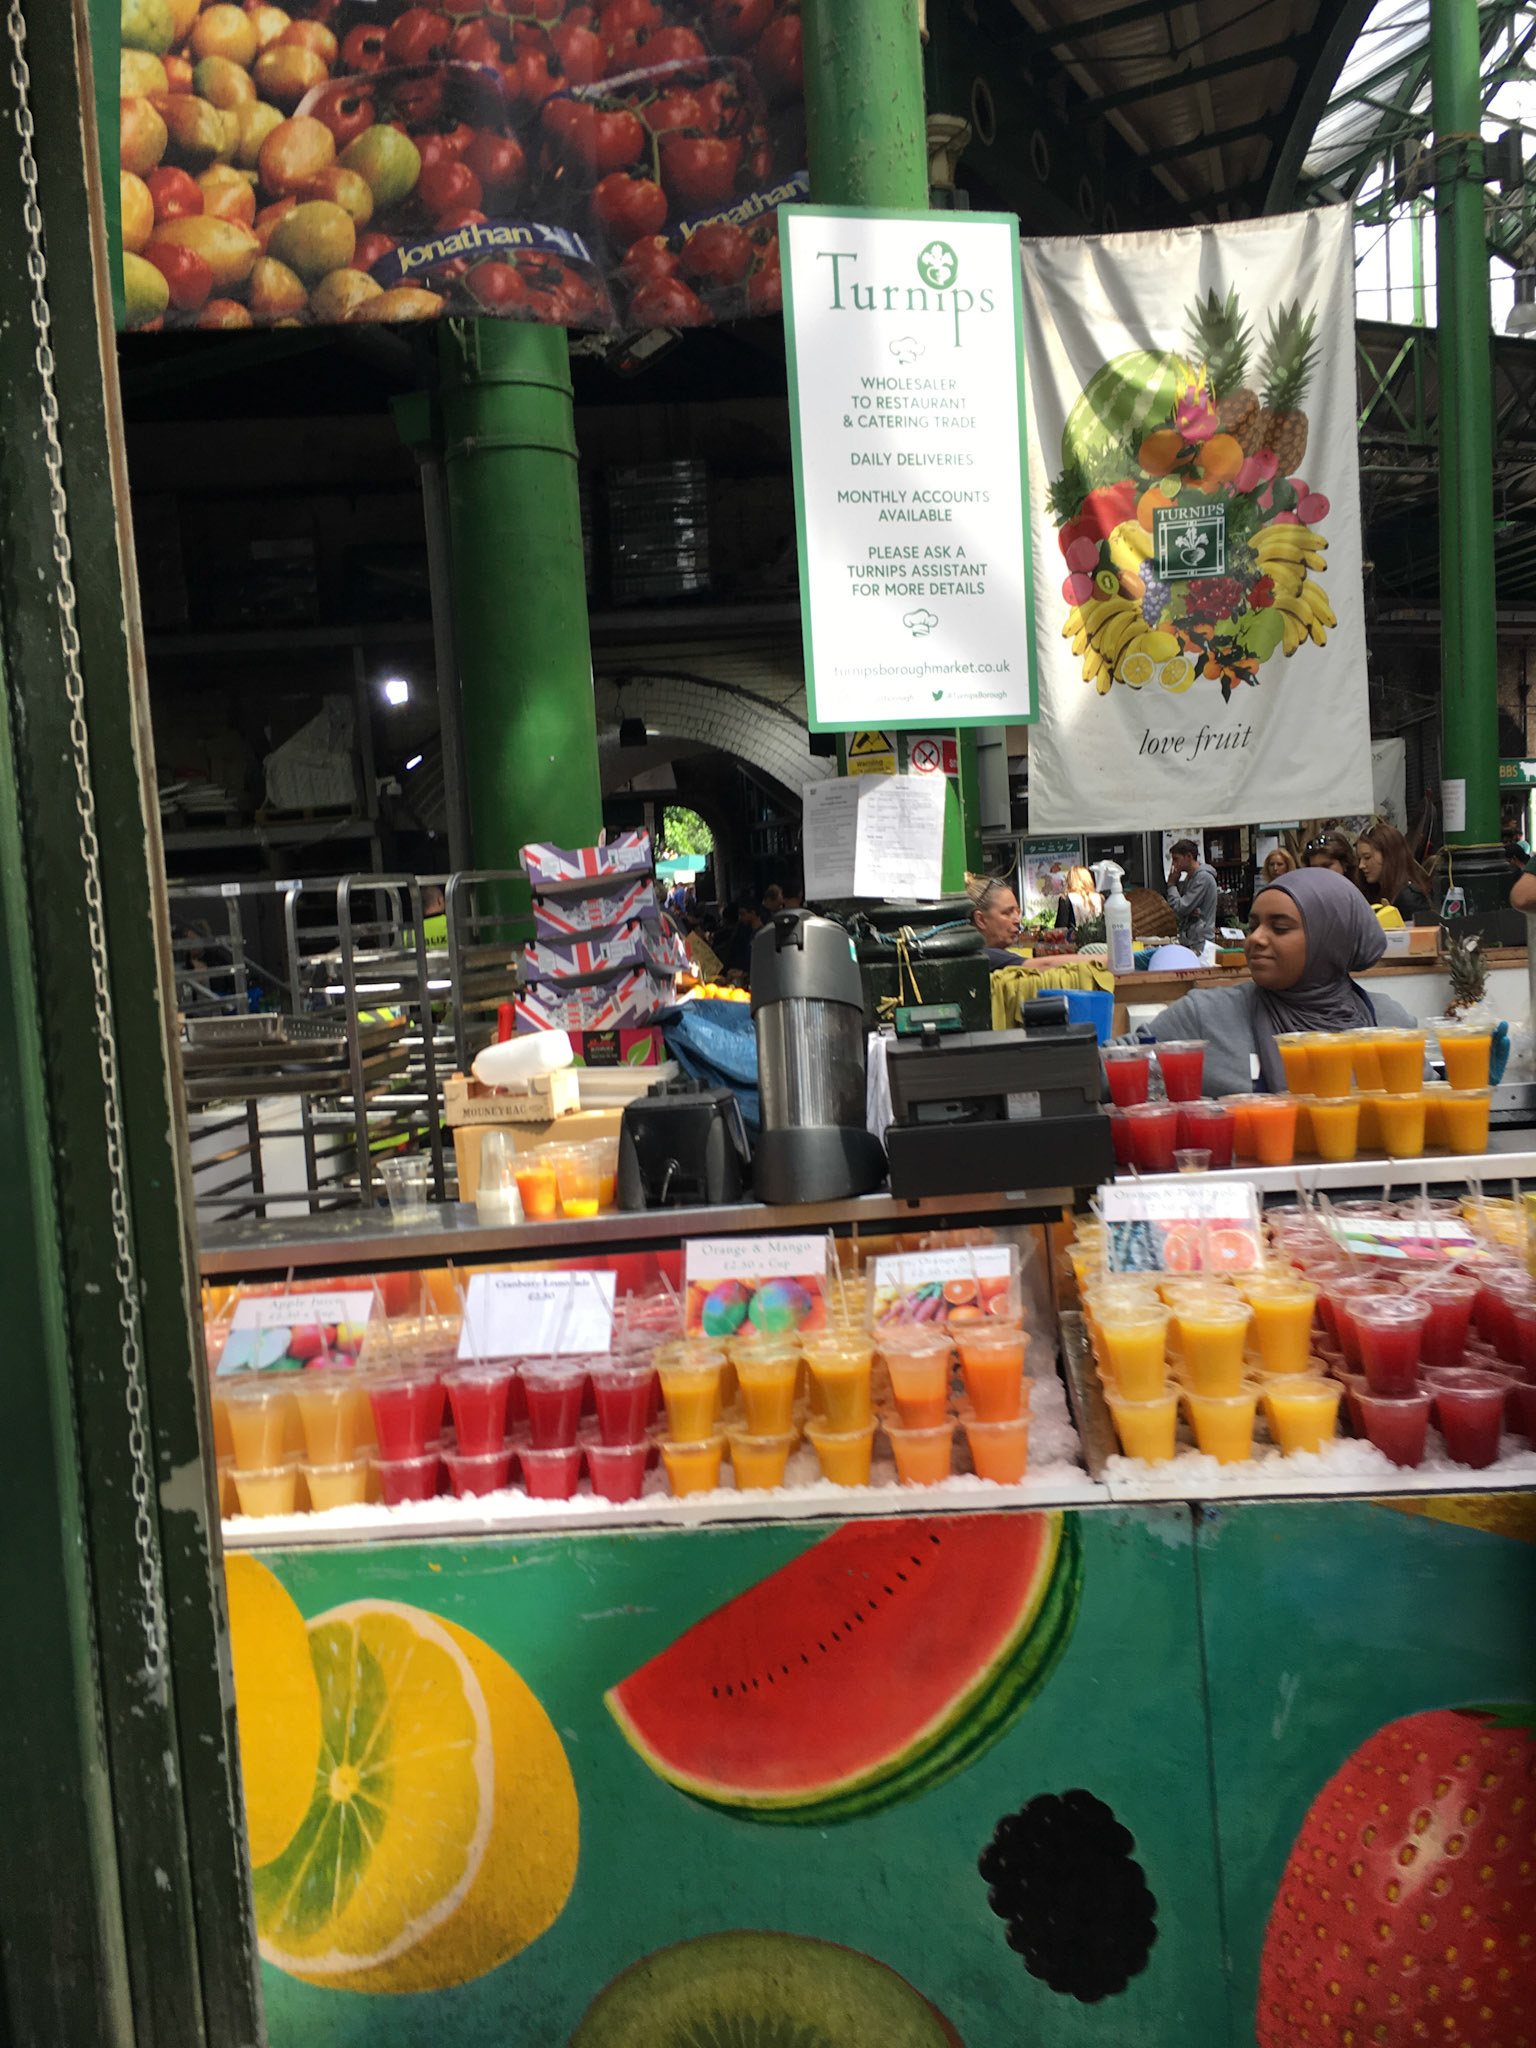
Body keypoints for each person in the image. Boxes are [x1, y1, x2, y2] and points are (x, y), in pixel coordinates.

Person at [1143, 868, 1417, 1096]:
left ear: (1331, 940)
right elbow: (1121, 1062)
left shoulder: (1389, 1023)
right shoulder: (1206, 1016)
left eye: (1280, 928)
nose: (1255, 938)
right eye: (1253, 926)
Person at [1355, 821, 1432, 925]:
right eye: (1359, 859)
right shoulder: (1373, 891)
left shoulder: (1410, 898)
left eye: (1367, 857)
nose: (1361, 865)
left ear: (1389, 856)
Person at [1165, 839, 1219, 954]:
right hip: (1190, 939)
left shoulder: (1203, 878)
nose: (1174, 864)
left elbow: (1181, 907)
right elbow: (1184, 907)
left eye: (1176, 859)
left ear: (1189, 856)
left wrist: (1171, 885)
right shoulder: (1190, 878)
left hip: (1200, 941)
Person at [967, 876, 1025, 967]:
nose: (1017, 920)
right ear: (980, 920)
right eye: (1007, 912)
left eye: (1017, 912)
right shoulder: (981, 957)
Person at [722, 899, 762, 983]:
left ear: (753, 913)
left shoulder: (761, 936)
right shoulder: (749, 933)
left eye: (743, 914)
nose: (740, 918)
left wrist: (743, 974)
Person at [1054, 865, 1103, 932]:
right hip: (1098, 935)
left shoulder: (1066, 899)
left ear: (1070, 880)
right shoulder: (1099, 898)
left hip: (1074, 936)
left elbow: (1061, 927)